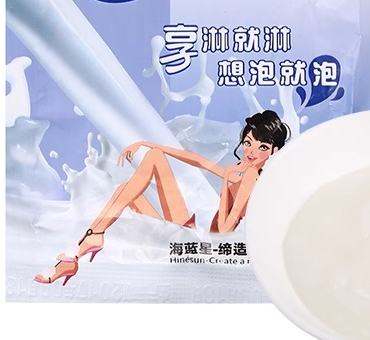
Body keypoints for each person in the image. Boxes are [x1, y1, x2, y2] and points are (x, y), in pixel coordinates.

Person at [34, 110, 290, 284]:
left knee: (127, 191)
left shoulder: (252, 179)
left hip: (202, 245)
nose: (251, 151)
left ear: (275, 151)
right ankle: (84, 246)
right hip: (191, 230)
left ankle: (83, 246)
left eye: (262, 147)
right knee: (135, 180)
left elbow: (224, 230)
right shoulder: (239, 169)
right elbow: (198, 160)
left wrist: (227, 189)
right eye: (248, 142)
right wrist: (149, 145)